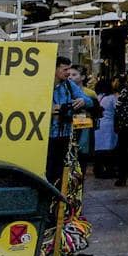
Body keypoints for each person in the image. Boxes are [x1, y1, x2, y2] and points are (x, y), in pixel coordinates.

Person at [48, 57, 97, 187]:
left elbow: (89, 101)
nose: (68, 73)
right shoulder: (45, 85)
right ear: (55, 69)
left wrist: (83, 101)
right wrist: (49, 109)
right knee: (49, 171)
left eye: (70, 69)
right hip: (47, 137)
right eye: (65, 69)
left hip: (66, 135)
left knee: (62, 171)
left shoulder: (69, 85)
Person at [93, 77, 119, 181]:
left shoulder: (98, 97)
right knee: (108, 149)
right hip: (109, 125)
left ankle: (98, 170)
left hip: (98, 125)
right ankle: (108, 170)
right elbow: (117, 109)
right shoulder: (112, 98)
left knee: (99, 149)